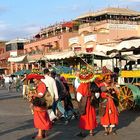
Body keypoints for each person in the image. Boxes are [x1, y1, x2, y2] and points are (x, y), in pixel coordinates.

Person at [27, 73, 52, 139]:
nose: (34, 80)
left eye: (34, 79)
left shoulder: (41, 85)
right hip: (40, 105)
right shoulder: (40, 85)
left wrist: (32, 95)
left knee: (39, 120)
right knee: (42, 119)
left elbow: (40, 95)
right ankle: (43, 133)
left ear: (38, 79)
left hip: (40, 105)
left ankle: (40, 135)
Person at [76, 66, 97, 137]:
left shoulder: (82, 85)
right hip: (91, 101)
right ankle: (91, 131)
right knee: (91, 116)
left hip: (84, 102)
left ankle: (82, 132)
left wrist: (79, 100)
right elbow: (96, 93)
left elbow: (79, 96)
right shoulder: (91, 84)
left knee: (83, 116)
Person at [99, 66, 119, 136]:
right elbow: (102, 90)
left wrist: (115, 90)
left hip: (112, 103)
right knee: (105, 115)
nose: (109, 79)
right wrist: (107, 91)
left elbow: (117, 92)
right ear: (105, 78)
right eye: (108, 78)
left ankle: (111, 129)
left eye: (110, 77)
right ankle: (106, 130)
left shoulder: (113, 84)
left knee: (112, 115)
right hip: (105, 103)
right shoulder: (102, 84)